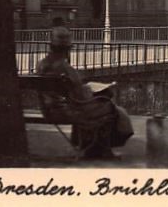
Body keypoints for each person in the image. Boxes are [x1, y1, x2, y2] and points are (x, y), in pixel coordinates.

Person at [35, 27, 133, 159]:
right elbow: (80, 96)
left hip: (49, 110)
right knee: (110, 108)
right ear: (67, 50)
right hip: (67, 111)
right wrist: (93, 90)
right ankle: (100, 150)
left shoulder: (41, 65)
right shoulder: (66, 68)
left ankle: (87, 146)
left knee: (92, 107)